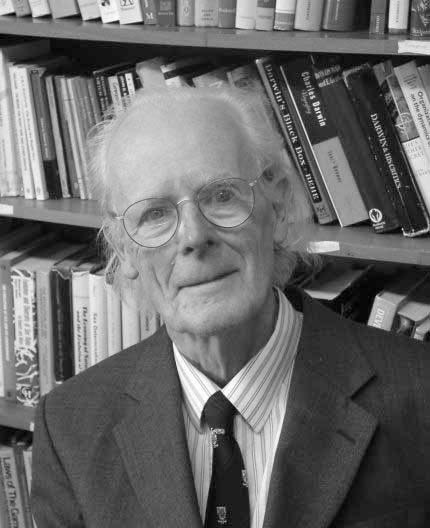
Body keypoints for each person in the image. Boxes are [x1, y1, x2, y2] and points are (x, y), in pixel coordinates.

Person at [31, 86, 430, 528]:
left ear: (277, 204)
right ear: (124, 249)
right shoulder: (69, 429)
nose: (193, 236)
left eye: (220, 195)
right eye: (155, 214)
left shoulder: (420, 393)